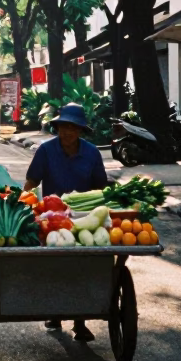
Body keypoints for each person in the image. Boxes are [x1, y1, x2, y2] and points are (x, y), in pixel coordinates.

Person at [24, 103, 108, 342]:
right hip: (52, 218)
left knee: (82, 267)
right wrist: (24, 208)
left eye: (72, 127)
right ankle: (55, 313)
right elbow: (31, 182)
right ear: (57, 128)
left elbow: (101, 187)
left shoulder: (92, 153)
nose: (66, 132)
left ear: (80, 130)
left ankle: (80, 321)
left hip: (84, 218)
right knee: (54, 266)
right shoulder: (46, 150)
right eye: (62, 126)